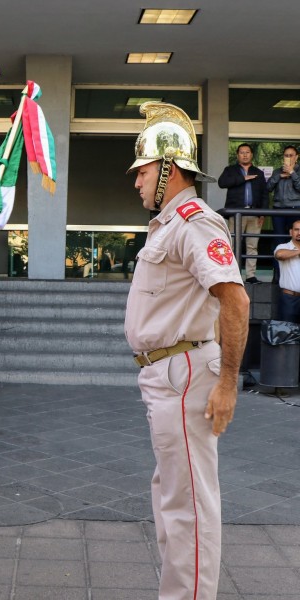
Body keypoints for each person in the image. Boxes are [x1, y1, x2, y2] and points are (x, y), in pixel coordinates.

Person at [125, 102, 249, 600]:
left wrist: (227, 383)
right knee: (173, 499)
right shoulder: (171, 223)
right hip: (167, 374)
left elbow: (234, 298)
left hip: (184, 374)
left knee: (189, 508)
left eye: (143, 170)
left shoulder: (195, 221)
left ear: (168, 171)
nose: (135, 180)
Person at [218, 143, 268, 283]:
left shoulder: (259, 172)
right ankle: (233, 275)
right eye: (242, 152)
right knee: (233, 245)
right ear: (237, 155)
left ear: (252, 154)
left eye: (247, 152)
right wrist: (243, 178)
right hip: (236, 214)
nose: (245, 154)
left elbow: (264, 194)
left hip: (254, 214)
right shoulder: (230, 170)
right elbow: (222, 183)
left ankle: (251, 275)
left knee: (253, 246)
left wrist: (262, 213)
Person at [267, 145, 300, 247]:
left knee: (296, 238)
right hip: (278, 209)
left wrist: (292, 173)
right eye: (286, 155)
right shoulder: (277, 171)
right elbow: (268, 188)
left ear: (297, 157)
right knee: (278, 239)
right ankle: (278, 262)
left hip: (296, 209)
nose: (289, 157)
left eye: (291, 155)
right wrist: (278, 176)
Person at [274, 219, 300, 323]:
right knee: (287, 335)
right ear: (291, 232)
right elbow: (279, 255)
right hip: (289, 298)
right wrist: (298, 252)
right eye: (296, 230)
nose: (299, 233)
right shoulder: (283, 247)